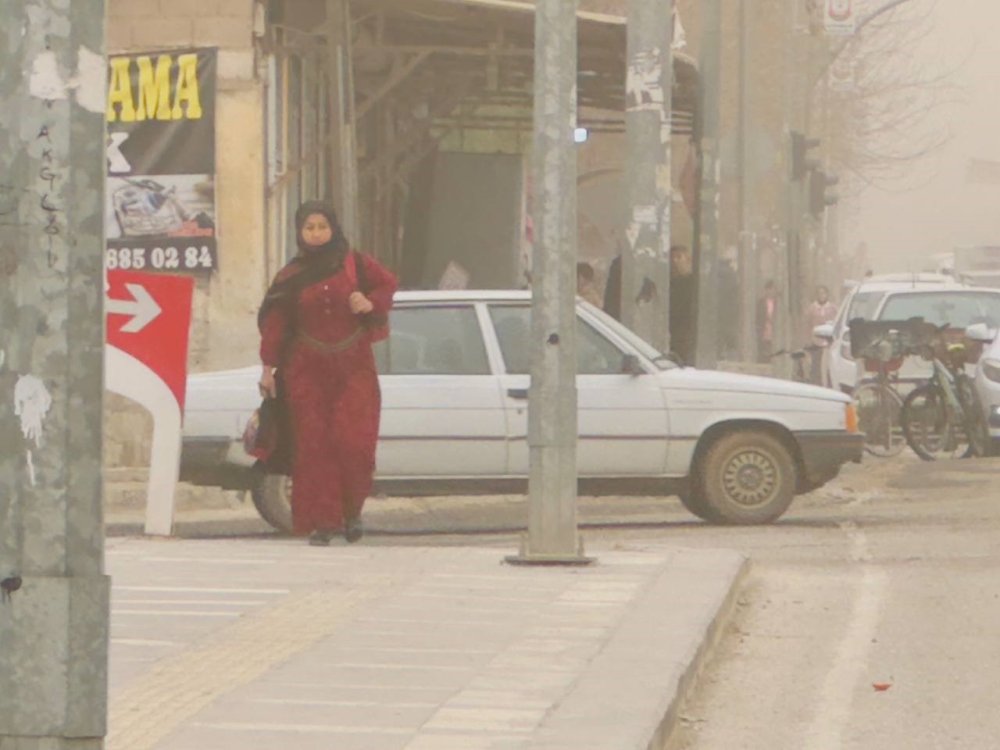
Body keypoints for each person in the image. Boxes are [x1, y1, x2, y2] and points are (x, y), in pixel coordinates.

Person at [257, 201, 397, 546]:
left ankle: (352, 513)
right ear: (299, 232)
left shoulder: (356, 263)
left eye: (322, 227)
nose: (316, 234)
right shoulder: (289, 277)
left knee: (354, 443)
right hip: (306, 369)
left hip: (354, 366)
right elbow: (276, 324)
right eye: (309, 228)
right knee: (314, 446)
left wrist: (370, 303)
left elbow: (387, 286)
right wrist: (267, 368)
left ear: (333, 228)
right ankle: (324, 522)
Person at [804, 284, 838, 384]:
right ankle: (816, 384)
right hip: (815, 341)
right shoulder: (811, 308)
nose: (821, 295)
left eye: (823, 293)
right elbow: (808, 324)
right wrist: (808, 339)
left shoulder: (833, 308)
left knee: (829, 365)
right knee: (815, 365)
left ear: (827, 294)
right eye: (819, 293)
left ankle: (830, 384)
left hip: (829, 342)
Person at [669, 244, 696, 364]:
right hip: (674, 331)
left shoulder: (693, 282)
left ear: (687, 259)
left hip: (687, 333)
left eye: (679, 257)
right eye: (672, 258)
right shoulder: (670, 282)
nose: (675, 261)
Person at [757, 280, 778, 363]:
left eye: (773, 289)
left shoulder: (777, 303)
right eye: (769, 289)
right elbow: (759, 316)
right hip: (765, 327)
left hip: (774, 328)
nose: (771, 291)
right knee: (765, 347)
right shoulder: (761, 302)